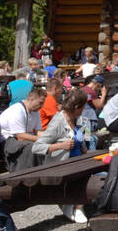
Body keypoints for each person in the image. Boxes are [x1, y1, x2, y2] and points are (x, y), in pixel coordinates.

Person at [33, 91, 89, 222]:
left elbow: (83, 136)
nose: (84, 110)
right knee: (81, 176)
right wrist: (60, 146)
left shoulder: (79, 119)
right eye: (83, 107)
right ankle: (72, 204)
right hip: (61, 164)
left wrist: (82, 146)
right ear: (76, 107)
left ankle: (78, 206)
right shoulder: (58, 122)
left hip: (77, 160)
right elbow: (37, 147)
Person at [0, 87, 45, 171]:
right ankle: (28, 174)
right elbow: (20, 136)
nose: (42, 106)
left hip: (20, 139)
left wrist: (47, 138)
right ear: (31, 99)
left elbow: (38, 131)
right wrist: (40, 139)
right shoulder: (18, 110)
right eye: (40, 103)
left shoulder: (35, 111)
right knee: (33, 147)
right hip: (7, 141)